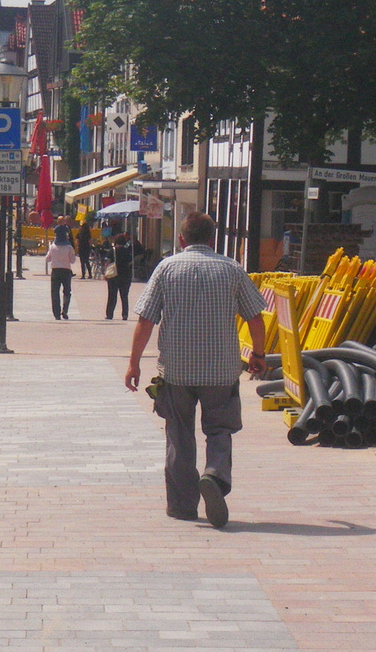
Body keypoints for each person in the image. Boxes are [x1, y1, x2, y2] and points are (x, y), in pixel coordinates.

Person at [124, 211, 266, 529]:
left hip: (176, 372)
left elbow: (146, 320)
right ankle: (215, 475)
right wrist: (258, 354)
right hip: (222, 372)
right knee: (220, 430)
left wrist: (133, 363)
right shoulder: (232, 269)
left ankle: (182, 506)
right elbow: (255, 316)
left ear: (182, 239)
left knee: (179, 435)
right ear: (213, 239)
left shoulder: (166, 268)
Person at [44, 225, 77, 320]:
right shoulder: (69, 247)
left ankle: (56, 314)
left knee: (55, 292)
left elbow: (47, 259)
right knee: (67, 292)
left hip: (55, 271)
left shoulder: (53, 247)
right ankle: (65, 310)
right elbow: (73, 261)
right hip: (66, 271)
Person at [105, 229, 135, 320]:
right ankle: (125, 314)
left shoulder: (112, 251)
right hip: (125, 275)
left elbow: (107, 262)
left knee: (112, 295)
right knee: (124, 296)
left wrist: (105, 273)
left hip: (114, 276)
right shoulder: (127, 251)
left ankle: (109, 314)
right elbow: (130, 262)